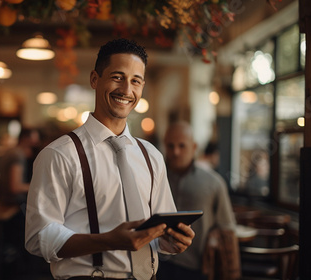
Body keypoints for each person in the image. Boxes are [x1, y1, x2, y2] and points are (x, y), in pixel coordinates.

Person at [25, 38, 195, 280]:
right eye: (117, 77)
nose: (127, 90)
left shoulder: (152, 156)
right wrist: (106, 241)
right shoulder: (60, 154)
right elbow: (38, 238)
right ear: (95, 79)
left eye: (135, 81)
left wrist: (174, 242)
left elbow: (159, 236)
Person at [158, 121, 237, 280]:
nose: (176, 152)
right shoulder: (154, 178)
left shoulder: (214, 183)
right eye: (170, 146)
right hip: (157, 263)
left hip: (197, 266)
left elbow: (227, 228)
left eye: (182, 146)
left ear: (194, 147)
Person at [0, 127, 41, 205]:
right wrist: (39, 187)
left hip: (6, 200)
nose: (37, 141)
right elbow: (15, 187)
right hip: (14, 203)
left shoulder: (12, 151)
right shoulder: (17, 155)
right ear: (25, 138)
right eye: (34, 138)